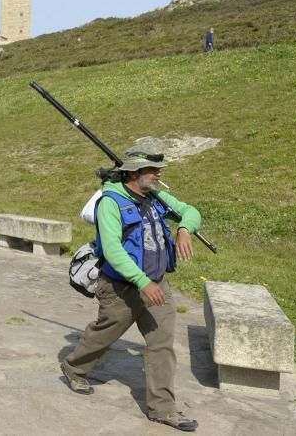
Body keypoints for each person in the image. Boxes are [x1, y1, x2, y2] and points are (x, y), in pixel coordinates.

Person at [60, 145, 202, 432]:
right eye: (153, 170)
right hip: (121, 289)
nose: (159, 174)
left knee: (161, 344)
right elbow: (112, 250)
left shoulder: (157, 196)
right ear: (134, 173)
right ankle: (74, 367)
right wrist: (141, 282)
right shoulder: (111, 202)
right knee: (104, 334)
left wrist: (184, 228)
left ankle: (163, 409)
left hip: (158, 285)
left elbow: (190, 210)